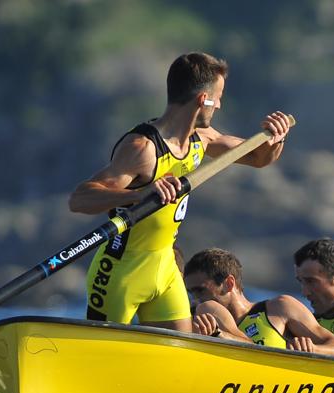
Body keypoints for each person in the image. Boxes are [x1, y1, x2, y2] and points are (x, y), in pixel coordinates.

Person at [70, 52, 292, 331]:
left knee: (179, 351)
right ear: (203, 99)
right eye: (219, 96)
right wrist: (137, 195)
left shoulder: (202, 138)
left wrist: (276, 139)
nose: (220, 105)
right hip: (120, 271)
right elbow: (80, 199)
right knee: (99, 356)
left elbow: (258, 158)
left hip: (165, 268)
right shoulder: (143, 148)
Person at [183, 248, 334, 355]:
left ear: (229, 283)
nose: (195, 300)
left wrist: (313, 349)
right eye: (191, 293)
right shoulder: (197, 322)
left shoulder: (280, 307)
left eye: (200, 291)